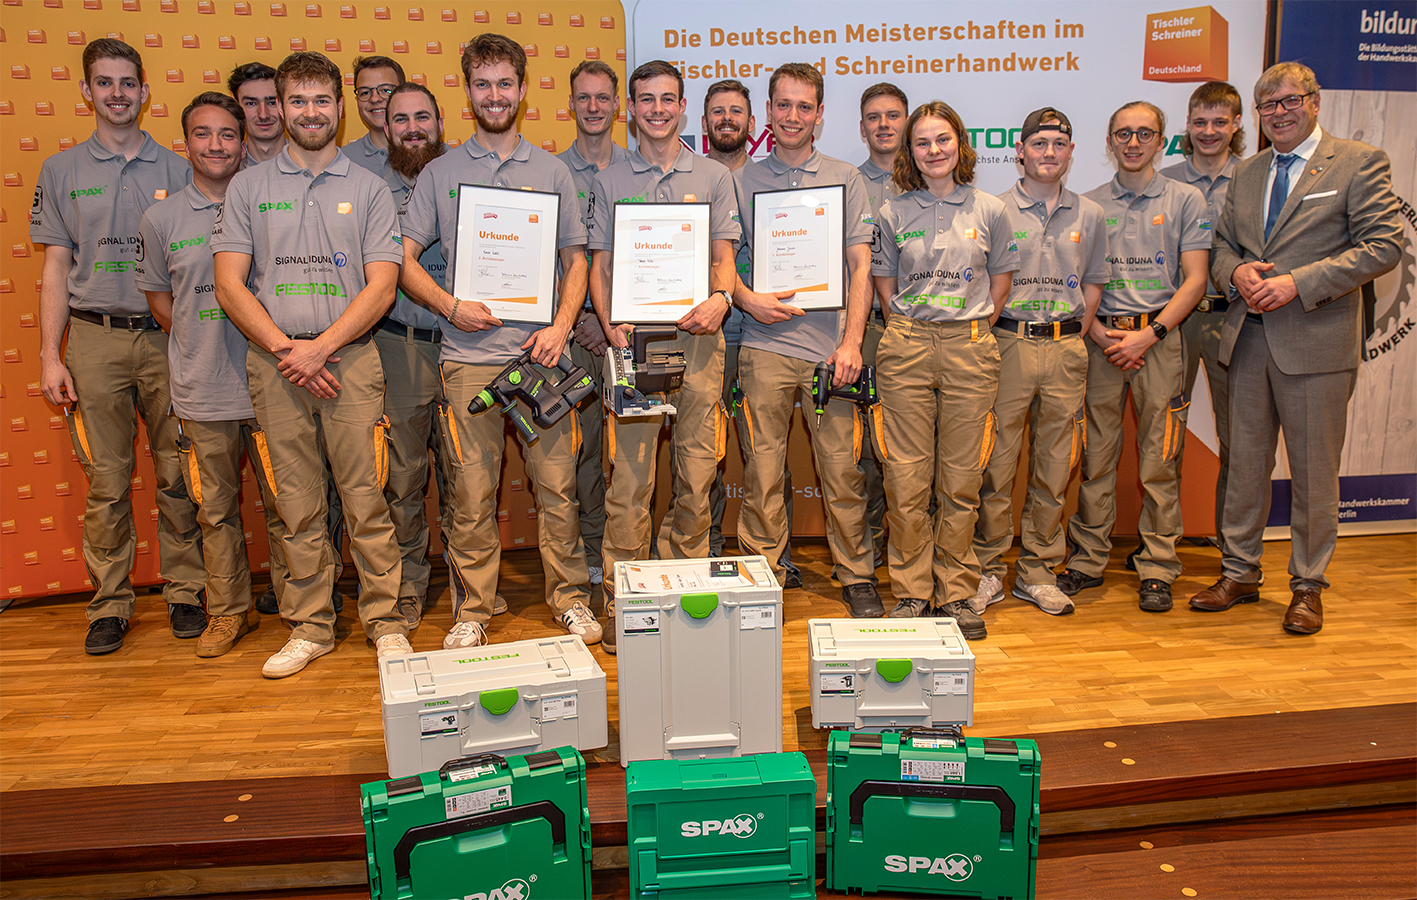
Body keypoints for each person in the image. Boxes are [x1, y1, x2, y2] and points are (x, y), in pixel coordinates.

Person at [212, 50, 412, 676]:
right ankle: (310, 627)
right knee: (295, 504)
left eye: (321, 100)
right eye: (295, 101)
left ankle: (385, 622)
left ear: (340, 106)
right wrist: (285, 350)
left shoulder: (370, 187)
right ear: (279, 108)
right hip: (276, 363)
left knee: (366, 497)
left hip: (348, 361)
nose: (308, 112)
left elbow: (382, 287)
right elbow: (229, 284)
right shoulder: (248, 186)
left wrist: (320, 349)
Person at [399, 34, 597, 650]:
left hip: (542, 356)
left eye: (504, 84)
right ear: (468, 90)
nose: (494, 95)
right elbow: (402, 260)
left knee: (557, 486)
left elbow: (577, 258)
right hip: (468, 359)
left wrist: (562, 325)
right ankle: (474, 609)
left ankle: (570, 600)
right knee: (471, 490)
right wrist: (449, 305)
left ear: (521, 88)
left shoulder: (552, 170)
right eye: (482, 84)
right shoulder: (441, 172)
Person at [1190, 62, 1402, 634]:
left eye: (1288, 102)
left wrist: (1297, 282)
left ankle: (1308, 586)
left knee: (1313, 473)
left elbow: (1384, 246)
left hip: (1316, 344)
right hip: (1249, 337)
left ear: (1313, 102)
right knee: (1245, 466)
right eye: (1267, 107)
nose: (1278, 114)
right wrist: (1235, 275)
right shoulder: (1249, 171)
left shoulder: (1357, 162)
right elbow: (1223, 245)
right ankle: (1240, 572)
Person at [31, 38, 204, 655]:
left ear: (145, 90)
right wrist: (52, 354)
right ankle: (109, 604)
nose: (117, 93)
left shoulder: (178, 167)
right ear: (86, 91)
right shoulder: (60, 170)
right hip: (95, 340)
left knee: (179, 473)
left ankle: (187, 593)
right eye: (104, 83)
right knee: (106, 481)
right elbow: (55, 266)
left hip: (168, 339)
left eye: (127, 82)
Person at [586, 60, 740, 652]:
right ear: (631, 107)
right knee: (629, 479)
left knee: (697, 475)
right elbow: (600, 268)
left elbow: (723, 258)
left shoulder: (713, 175)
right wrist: (609, 319)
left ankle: (686, 600)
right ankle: (624, 606)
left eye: (667, 99)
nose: (656, 109)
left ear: (683, 106)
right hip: (633, 343)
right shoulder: (608, 178)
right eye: (645, 99)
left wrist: (722, 298)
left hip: (698, 337)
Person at [135, 92, 289, 657]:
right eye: (204, 134)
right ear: (187, 143)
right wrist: (202, 341)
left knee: (287, 503)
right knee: (215, 508)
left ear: (243, 141)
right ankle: (228, 613)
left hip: (273, 380)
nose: (216, 145)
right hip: (204, 388)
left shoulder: (272, 203)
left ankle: (299, 607)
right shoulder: (161, 218)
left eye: (228, 134)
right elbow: (158, 298)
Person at [731, 63, 882, 618]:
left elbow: (860, 267)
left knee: (842, 468)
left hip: (829, 352)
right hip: (764, 347)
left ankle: (857, 574)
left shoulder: (845, 177)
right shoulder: (740, 180)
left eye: (804, 106)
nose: (792, 116)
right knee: (762, 469)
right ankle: (764, 572)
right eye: (783, 105)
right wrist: (748, 299)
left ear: (820, 115)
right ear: (767, 112)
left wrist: (852, 342)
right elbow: (721, 264)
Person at [871, 101, 1019, 637]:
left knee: (961, 479)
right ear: (910, 152)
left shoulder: (991, 210)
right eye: (922, 142)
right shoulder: (892, 212)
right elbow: (885, 288)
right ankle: (912, 593)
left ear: (960, 143)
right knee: (906, 477)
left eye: (942, 140)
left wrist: (969, 327)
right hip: (906, 346)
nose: (933, 151)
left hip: (971, 348)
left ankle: (956, 592)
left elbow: (1000, 283)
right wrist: (910, 328)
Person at [1059, 101, 1210, 613]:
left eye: (1144, 133)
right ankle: (1087, 560)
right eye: (1122, 133)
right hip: (1100, 345)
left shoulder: (1186, 199)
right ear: (1109, 142)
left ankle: (1159, 567)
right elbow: (1074, 282)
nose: (1132, 142)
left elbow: (1196, 279)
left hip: (1160, 343)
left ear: (1162, 140)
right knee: (1095, 457)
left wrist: (1152, 333)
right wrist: (1101, 335)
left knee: (1159, 460)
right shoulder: (1088, 204)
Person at [970, 108, 1106, 618]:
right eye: (1039, 143)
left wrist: (1076, 334)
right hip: (1007, 344)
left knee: (1055, 465)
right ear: (1020, 151)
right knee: (995, 464)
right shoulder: (994, 208)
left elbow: (1094, 282)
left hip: (1068, 348)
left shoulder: (1089, 214)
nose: (1050, 152)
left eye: (1060, 143)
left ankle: (1038, 571)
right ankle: (987, 569)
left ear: (1071, 152)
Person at [692, 78, 800, 586]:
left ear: (753, 124)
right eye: (718, 112)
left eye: (737, 112)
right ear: (705, 122)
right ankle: (710, 543)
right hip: (709, 333)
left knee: (766, 448)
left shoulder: (770, 180)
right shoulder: (694, 178)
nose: (728, 119)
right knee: (706, 443)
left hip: (766, 336)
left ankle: (781, 552)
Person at [373, 82, 455, 630]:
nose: (412, 128)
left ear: (440, 119)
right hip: (398, 345)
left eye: (422, 116)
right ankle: (407, 586)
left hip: (465, 346)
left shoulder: (464, 176)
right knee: (402, 478)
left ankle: (469, 587)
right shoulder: (367, 187)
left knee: (465, 476)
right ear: (385, 125)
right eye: (400, 119)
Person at [1160, 81, 1245, 551]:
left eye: (1219, 122)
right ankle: (1161, 543)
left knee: (1239, 436)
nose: (1209, 131)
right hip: (1175, 321)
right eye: (1200, 122)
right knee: (1165, 434)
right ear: (1187, 127)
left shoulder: (1256, 177)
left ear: (1236, 125)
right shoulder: (1165, 181)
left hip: (1236, 319)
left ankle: (1235, 548)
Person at [557, 59, 628, 589]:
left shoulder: (634, 168)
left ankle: (625, 550)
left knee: (629, 447)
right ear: (571, 104)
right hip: (574, 333)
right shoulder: (550, 172)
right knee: (578, 450)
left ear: (617, 104)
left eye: (604, 97)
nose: (595, 107)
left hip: (626, 333)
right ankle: (587, 547)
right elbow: (548, 259)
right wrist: (582, 319)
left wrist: (609, 323)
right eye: (585, 98)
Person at [855, 81, 910, 566]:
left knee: (916, 441)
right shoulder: (847, 184)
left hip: (921, 331)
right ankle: (873, 543)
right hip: (868, 329)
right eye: (874, 117)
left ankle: (914, 543)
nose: (884, 125)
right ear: (861, 127)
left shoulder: (933, 179)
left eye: (893, 115)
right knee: (872, 444)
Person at [345, 55, 405, 179]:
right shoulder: (344, 160)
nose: (375, 99)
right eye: (365, 92)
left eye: (385, 90)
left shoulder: (436, 154)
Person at [228, 62, 285, 165]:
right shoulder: (225, 170)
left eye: (272, 103)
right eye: (251, 103)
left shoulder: (313, 166)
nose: (263, 115)